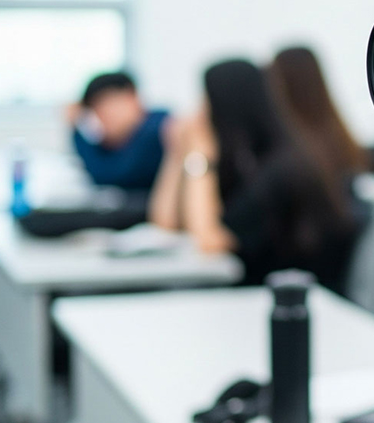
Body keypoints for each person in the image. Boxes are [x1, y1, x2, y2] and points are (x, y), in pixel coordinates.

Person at [150, 57, 363, 295]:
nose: (199, 113)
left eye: (206, 100)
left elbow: (210, 241)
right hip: (252, 296)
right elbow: (165, 221)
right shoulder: (243, 161)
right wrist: (176, 153)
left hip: (291, 297)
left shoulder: (282, 168)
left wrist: (199, 155)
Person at [68, 71, 170, 191]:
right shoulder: (122, 140)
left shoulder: (159, 128)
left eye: (108, 104)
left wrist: (76, 130)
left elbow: (110, 175)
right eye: (96, 109)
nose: (103, 115)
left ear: (131, 97)